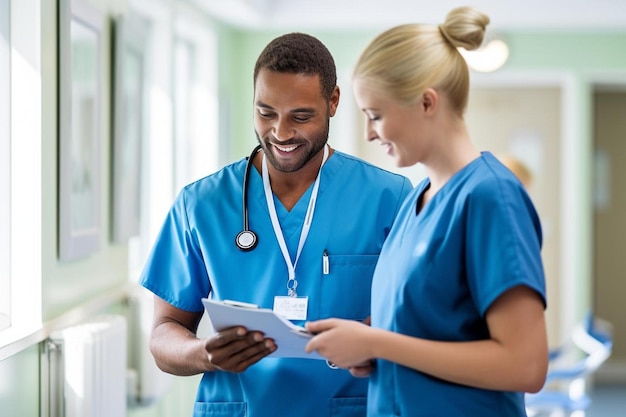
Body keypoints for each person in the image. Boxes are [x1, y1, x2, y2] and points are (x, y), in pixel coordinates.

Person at [139, 32, 412, 417]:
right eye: (266, 113)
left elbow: (418, 318)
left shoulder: (390, 197)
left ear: (333, 102)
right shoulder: (201, 204)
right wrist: (204, 353)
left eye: (300, 116)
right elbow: (164, 333)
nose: (281, 133)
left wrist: (374, 339)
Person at [305, 7, 549, 416]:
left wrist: (378, 343)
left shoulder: (491, 197)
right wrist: (367, 344)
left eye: (375, 115)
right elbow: (426, 329)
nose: (368, 133)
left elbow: (525, 364)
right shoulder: (416, 201)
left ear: (426, 102)